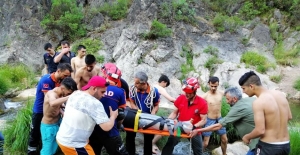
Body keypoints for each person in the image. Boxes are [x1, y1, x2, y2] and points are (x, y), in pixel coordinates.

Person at [56, 76, 118, 155]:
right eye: (102, 92)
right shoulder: (94, 103)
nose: (103, 95)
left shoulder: (76, 93)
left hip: (62, 137)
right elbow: (106, 127)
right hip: (74, 144)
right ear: (94, 88)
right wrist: (113, 116)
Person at [190, 86, 258, 155]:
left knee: (224, 139)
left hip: (259, 143)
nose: (226, 102)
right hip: (259, 140)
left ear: (234, 99)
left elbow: (218, 126)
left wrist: (198, 130)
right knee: (205, 142)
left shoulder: (236, 109)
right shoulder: (251, 99)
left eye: (228, 99)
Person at [238, 71, 292, 155]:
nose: (243, 91)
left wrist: (247, 137)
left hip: (268, 147)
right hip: (285, 145)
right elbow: (289, 117)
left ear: (251, 86)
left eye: (244, 88)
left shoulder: (259, 102)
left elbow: (260, 130)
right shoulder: (280, 95)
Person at [28, 63, 73, 155]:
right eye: (65, 75)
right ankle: (31, 151)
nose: (66, 78)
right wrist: (62, 108)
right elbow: (51, 102)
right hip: (40, 110)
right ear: (58, 71)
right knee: (35, 132)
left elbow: (58, 102)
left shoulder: (60, 81)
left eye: (68, 76)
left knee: (49, 136)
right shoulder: (46, 80)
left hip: (53, 111)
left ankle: (47, 149)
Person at [161, 77, 207, 155]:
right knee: (170, 143)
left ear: (195, 91)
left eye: (189, 93)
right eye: (186, 92)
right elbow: (174, 113)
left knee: (198, 151)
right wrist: (167, 121)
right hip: (180, 127)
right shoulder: (181, 98)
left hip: (194, 130)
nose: (187, 95)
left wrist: (194, 127)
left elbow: (204, 120)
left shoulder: (202, 103)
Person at [89, 68, 127, 155]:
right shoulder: (120, 92)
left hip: (93, 130)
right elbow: (121, 114)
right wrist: (118, 125)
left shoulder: (94, 88)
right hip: (111, 131)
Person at [126, 71, 160, 155]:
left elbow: (156, 105)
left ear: (143, 83)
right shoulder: (132, 89)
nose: (135, 84)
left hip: (148, 119)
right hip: (135, 116)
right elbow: (132, 102)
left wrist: (153, 113)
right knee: (130, 137)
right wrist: (138, 113)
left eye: (137, 83)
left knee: (148, 140)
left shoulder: (154, 91)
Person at [40, 77, 77, 155]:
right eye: (68, 93)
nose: (68, 95)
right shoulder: (51, 93)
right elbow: (53, 103)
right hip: (48, 127)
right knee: (47, 151)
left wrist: (64, 112)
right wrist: (69, 97)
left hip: (58, 122)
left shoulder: (61, 94)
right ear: (63, 88)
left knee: (55, 148)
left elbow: (57, 107)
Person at [201, 76, 227, 155]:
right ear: (208, 84)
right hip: (209, 120)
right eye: (211, 86)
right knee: (205, 143)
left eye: (215, 86)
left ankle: (224, 154)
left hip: (219, 119)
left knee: (224, 140)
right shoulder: (205, 96)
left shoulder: (221, 93)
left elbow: (232, 96)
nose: (213, 88)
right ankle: (198, 153)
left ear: (218, 85)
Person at [152, 74, 176, 154]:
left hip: (150, 111)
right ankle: (152, 144)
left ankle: (151, 143)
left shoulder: (153, 85)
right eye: (165, 85)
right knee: (163, 128)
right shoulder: (160, 88)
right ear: (163, 82)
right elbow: (171, 99)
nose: (164, 87)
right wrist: (182, 101)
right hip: (151, 112)